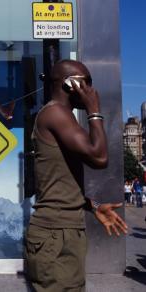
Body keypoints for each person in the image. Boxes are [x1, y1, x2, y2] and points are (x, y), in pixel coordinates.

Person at [25, 60, 128, 292]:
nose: (92, 90)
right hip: (55, 233)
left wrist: (92, 205)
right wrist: (94, 111)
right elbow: (99, 157)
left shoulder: (63, 117)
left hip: (63, 230)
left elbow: (59, 180)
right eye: (87, 83)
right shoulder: (55, 114)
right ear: (70, 84)